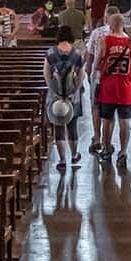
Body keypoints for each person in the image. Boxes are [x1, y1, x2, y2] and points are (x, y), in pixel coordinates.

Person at [93, 11, 131, 169]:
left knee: (107, 121)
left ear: (111, 25)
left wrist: (97, 74)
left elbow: (96, 63)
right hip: (126, 87)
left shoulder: (104, 41)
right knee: (125, 121)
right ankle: (123, 152)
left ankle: (107, 150)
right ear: (123, 25)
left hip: (109, 87)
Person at [43, 25, 84, 170]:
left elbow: (46, 74)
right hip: (72, 95)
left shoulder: (50, 53)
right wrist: (75, 91)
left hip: (56, 95)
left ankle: (62, 160)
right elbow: (81, 76)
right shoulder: (77, 54)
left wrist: (53, 91)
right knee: (72, 127)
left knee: (58, 127)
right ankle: (74, 155)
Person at [84, 3, 120, 154]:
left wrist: (88, 72)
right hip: (114, 77)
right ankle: (107, 141)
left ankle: (97, 137)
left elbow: (90, 56)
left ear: (106, 17)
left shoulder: (97, 33)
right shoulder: (124, 36)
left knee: (96, 106)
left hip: (98, 76)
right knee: (110, 110)